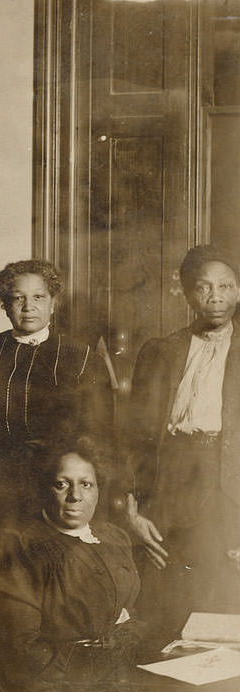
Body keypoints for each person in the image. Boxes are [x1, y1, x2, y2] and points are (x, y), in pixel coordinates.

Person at [0, 260, 111, 567]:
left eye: (38, 297)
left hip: (59, 497)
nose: (28, 307)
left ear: (53, 303)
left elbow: (99, 439)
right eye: (18, 298)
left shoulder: (82, 358)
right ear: (5, 305)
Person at [127, 245, 240, 640]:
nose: (216, 298)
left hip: (230, 481)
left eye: (226, 286)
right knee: (167, 590)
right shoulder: (160, 352)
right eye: (204, 288)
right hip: (170, 479)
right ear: (187, 293)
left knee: (225, 593)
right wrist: (131, 503)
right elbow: (135, 437)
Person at [0, 437, 141, 692]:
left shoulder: (114, 538)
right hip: (56, 691)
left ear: (98, 489)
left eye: (86, 485)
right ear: (45, 488)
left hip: (118, 678)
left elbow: (129, 614)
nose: (75, 496)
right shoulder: (20, 546)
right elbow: (22, 647)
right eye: (62, 484)